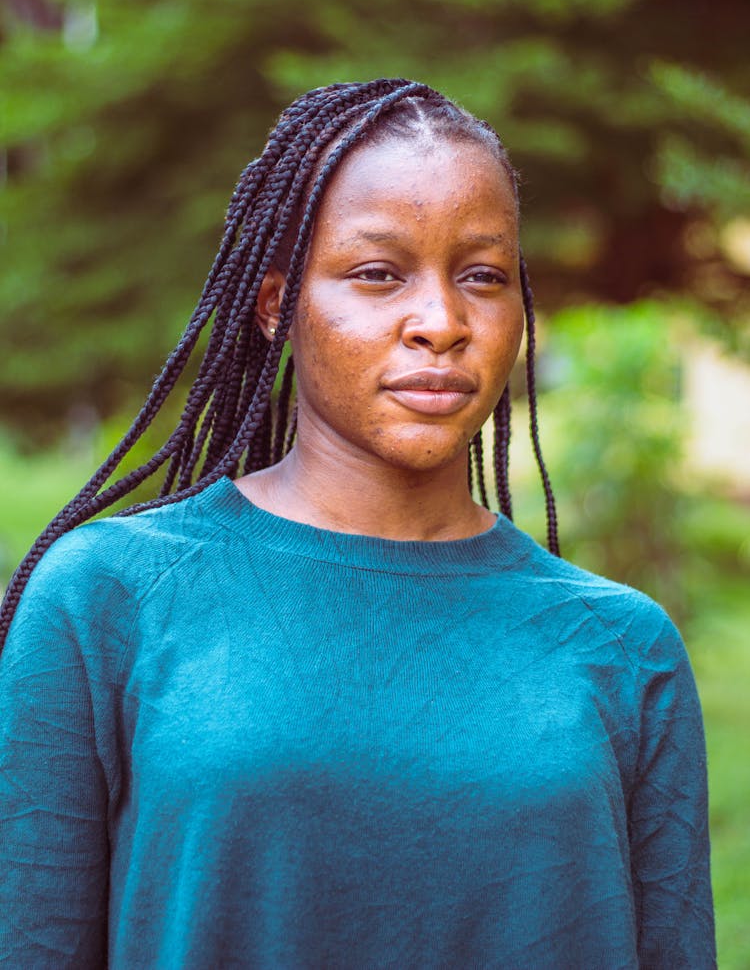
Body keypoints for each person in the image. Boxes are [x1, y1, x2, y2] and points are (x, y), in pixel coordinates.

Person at [0, 79, 715, 968]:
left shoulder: (621, 645)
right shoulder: (107, 599)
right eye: (378, 273)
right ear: (276, 306)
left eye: (483, 277)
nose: (441, 323)